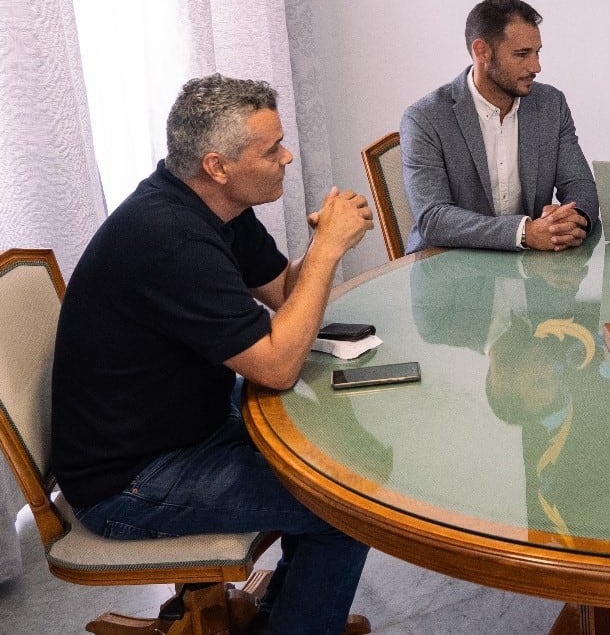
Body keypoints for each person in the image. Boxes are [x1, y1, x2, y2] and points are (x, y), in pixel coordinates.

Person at [52, 75, 375, 635]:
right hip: (130, 480)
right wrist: (326, 252)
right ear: (217, 165)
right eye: (270, 149)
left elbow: (283, 295)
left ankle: (291, 615)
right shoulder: (168, 237)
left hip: (186, 425)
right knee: (348, 505)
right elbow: (276, 365)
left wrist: (323, 249)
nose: (287, 157)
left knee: (339, 450)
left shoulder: (216, 206)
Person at [402, 0, 599, 253]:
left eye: (537, 52)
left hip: (529, 269)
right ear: (482, 51)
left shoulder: (551, 104)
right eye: (521, 54)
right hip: (449, 268)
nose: (536, 66)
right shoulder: (425, 119)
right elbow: (434, 218)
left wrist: (574, 218)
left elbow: (580, 184)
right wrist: (523, 232)